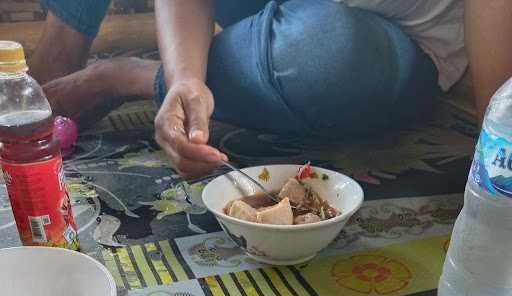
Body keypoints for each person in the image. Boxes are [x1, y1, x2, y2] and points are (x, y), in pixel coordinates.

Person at [30, 1, 512, 178]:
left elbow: (498, 109)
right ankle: (50, 73)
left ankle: (125, 75)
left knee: (324, 56)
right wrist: (184, 78)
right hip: (283, 15)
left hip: (384, 46)